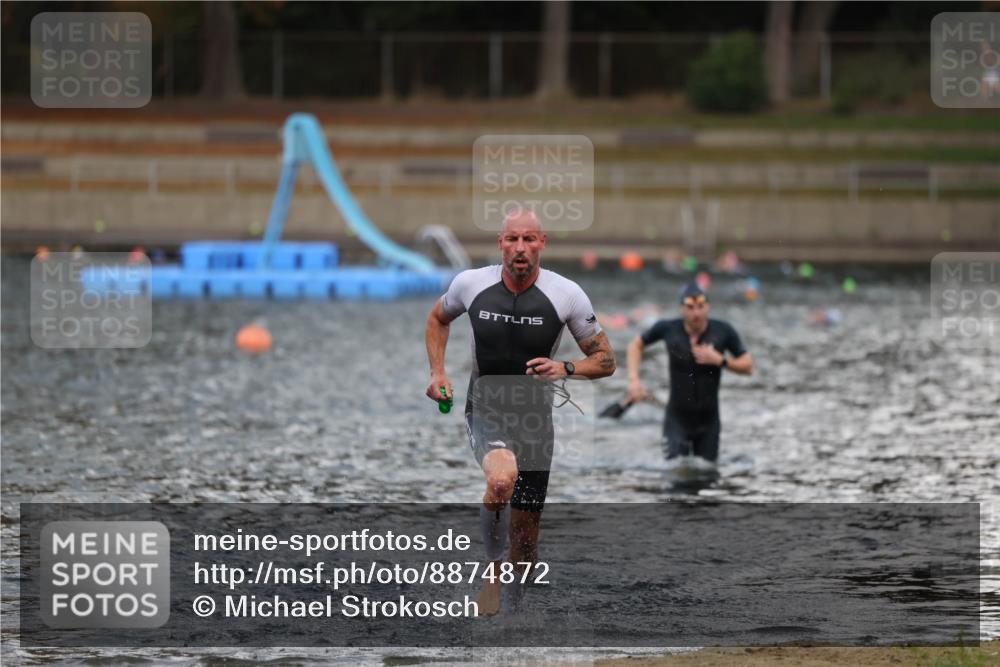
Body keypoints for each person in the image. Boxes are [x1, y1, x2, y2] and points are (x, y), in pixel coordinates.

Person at [424, 209, 615, 615]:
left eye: (529, 239)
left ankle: (515, 617)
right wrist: (437, 372)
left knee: (526, 542)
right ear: (501, 243)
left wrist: (566, 368)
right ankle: (492, 574)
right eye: (513, 240)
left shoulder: (567, 294)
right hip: (486, 407)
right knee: (501, 481)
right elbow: (438, 319)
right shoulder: (471, 284)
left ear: (542, 242)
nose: (521, 248)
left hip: (535, 422)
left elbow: (605, 360)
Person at [626, 283, 752, 463]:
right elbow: (635, 345)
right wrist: (634, 380)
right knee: (675, 473)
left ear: (708, 306)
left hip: (709, 422)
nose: (696, 313)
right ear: (681, 308)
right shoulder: (668, 329)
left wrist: (721, 361)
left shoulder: (723, 331)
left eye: (701, 307)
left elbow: (748, 366)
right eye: (690, 308)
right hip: (677, 420)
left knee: (706, 477)